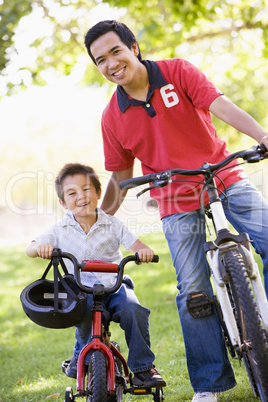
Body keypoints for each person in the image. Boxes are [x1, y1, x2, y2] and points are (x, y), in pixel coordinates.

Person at [84, 20, 268, 402]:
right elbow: (120, 174)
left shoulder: (177, 71)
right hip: (174, 197)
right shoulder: (111, 117)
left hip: (224, 175)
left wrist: (262, 135)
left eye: (115, 51)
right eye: (100, 60)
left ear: (133, 47)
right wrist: (97, 224)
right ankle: (208, 385)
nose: (111, 63)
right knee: (193, 290)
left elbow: (220, 105)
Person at [26, 163, 166, 387]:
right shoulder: (59, 230)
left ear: (99, 193)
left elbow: (137, 244)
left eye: (86, 189)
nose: (81, 196)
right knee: (84, 316)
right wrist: (39, 248)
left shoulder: (113, 224)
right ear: (63, 202)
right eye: (72, 193)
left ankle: (143, 369)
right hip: (81, 290)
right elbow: (30, 248)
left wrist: (143, 251)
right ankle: (79, 359)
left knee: (134, 310)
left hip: (115, 285)